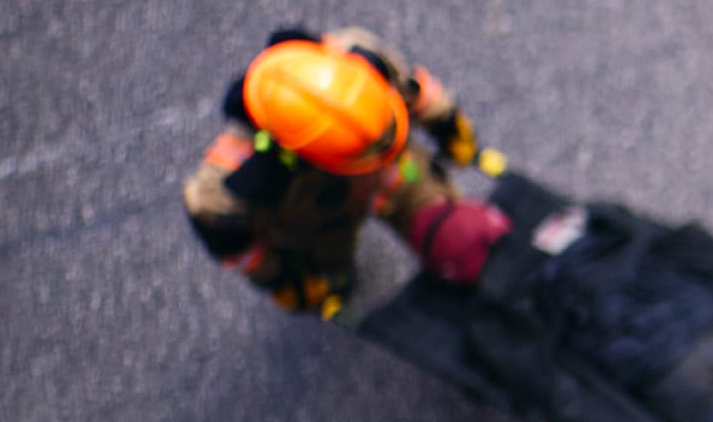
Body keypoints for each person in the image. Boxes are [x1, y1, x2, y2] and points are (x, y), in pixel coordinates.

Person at [183, 30, 509, 318]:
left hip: (394, 178)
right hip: (316, 220)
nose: (384, 150)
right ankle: (332, 275)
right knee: (326, 266)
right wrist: (282, 280)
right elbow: (236, 246)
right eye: (365, 150)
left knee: (456, 233)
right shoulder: (230, 187)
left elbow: (415, 92)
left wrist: (448, 125)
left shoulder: (358, 63)